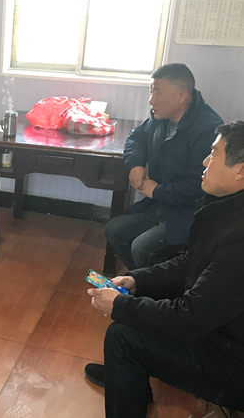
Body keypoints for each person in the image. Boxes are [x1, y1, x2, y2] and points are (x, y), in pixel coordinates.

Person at [85, 120, 244, 417]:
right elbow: (191, 261)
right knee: (140, 306)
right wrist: (136, 281)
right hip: (219, 333)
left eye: (214, 154)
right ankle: (129, 380)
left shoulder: (239, 238)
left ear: (240, 171)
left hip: (231, 361)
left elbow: (190, 317)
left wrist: (120, 305)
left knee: (122, 337)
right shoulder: (226, 207)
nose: (205, 162)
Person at [104, 63, 223, 270]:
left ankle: (155, 285)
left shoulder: (208, 128)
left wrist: (157, 191)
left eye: (157, 93)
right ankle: (143, 280)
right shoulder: (160, 117)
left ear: (181, 96)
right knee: (114, 230)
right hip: (160, 203)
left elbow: (199, 185)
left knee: (142, 248)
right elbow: (136, 137)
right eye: (151, 92)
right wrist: (135, 164)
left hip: (188, 211)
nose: (151, 100)